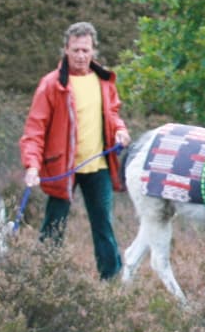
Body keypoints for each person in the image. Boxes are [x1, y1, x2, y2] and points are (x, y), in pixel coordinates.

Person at [20, 21, 130, 279]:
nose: (81, 55)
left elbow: (113, 114)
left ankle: (111, 281)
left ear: (93, 51)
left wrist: (120, 130)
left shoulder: (104, 81)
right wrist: (32, 165)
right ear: (66, 50)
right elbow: (35, 129)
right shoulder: (51, 85)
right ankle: (43, 278)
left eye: (85, 50)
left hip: (98, 167)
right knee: (54, 225)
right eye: (76, 50)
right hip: (62, 168)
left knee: (103, 225)